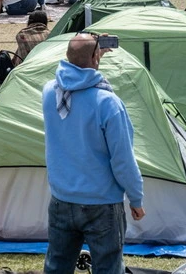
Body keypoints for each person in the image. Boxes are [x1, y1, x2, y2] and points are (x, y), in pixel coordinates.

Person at [42, 33, 145, 274]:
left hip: (62, 197)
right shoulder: (108, 102)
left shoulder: (50, 93)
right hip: (102, 202)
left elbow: (76, 72)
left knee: (57, 265)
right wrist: (136, 198)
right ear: (96, 57)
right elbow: (122, 160)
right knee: (108, 267)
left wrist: (91, 52)